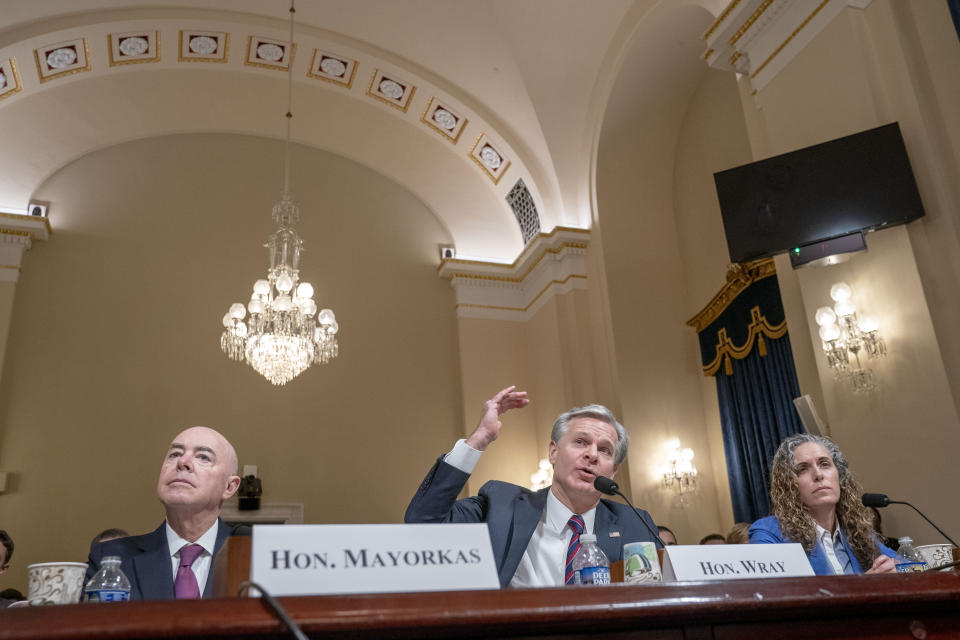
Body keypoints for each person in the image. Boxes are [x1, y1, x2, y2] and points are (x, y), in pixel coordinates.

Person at [405, 385, 660, 588]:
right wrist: (479, 439)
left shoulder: (635, 523)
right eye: (581, 442)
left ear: (613, 470)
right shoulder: (501, 505)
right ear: (553, 452)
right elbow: (423, 524)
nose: (592, 455)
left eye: (605, 450)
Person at [85, 426, 246, 600]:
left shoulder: (256, 554)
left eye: (203, 457)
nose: (182, 462)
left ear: (229, 487)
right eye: (175, 454)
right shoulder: (110, 557)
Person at [749, 433, 898, 575]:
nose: (818, 475)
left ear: (840, 475)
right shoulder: (769, 534)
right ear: (788, 485)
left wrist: (895, 568)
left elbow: (907, 564)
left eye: (824, 464)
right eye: (802, 469)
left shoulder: (856, 531)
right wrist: (864, 585)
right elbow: (775, 594)